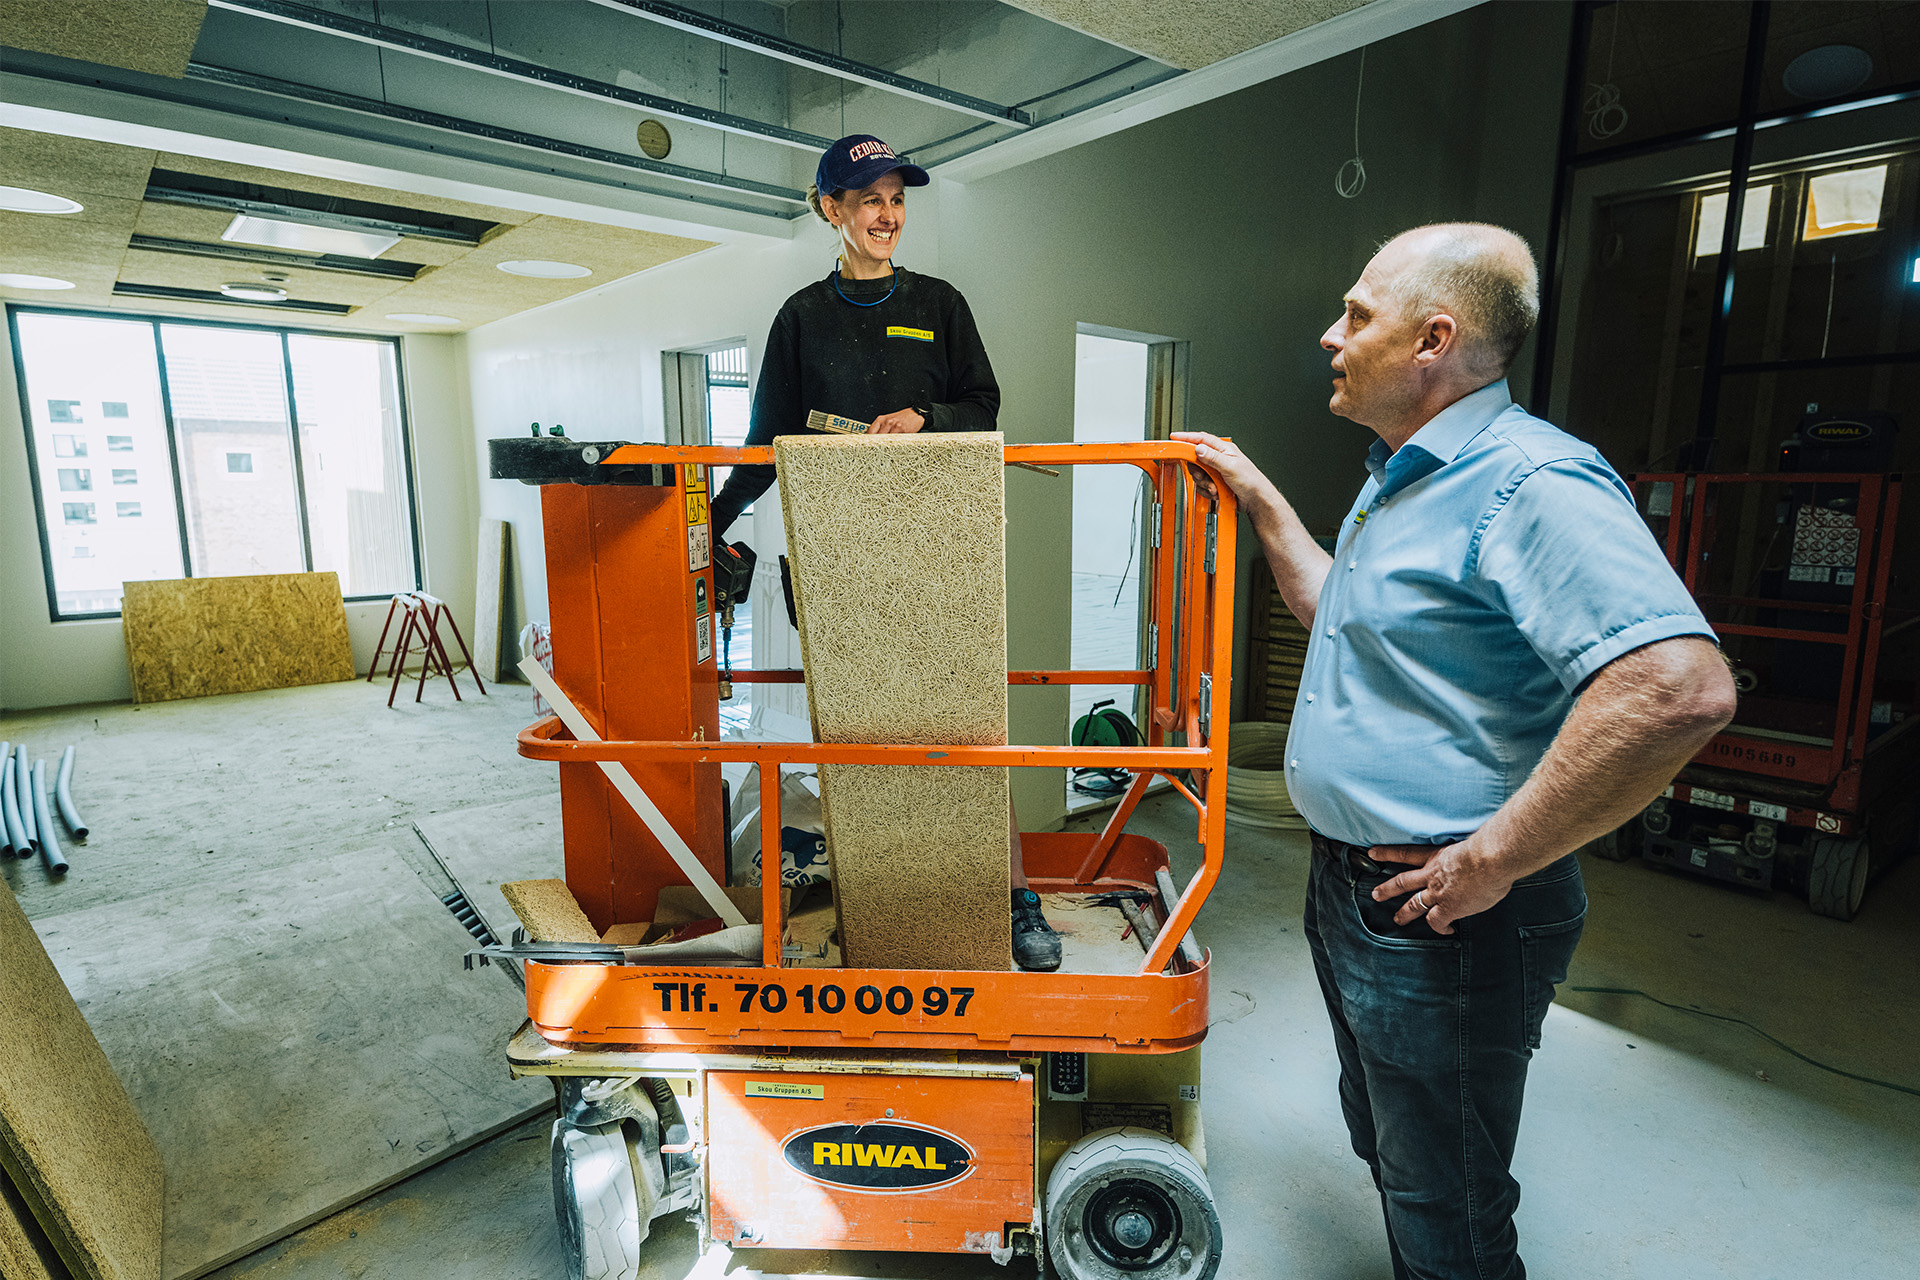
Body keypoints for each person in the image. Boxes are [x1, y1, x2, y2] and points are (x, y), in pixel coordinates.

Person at [1177, 223, 1736, 1279]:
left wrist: (1492, 859)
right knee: (1395, 1141)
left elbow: (1679, 686)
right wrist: (1255, 493)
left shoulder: (1528, 483)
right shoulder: (1406, 471)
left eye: (1357, 314)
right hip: (1357, 884)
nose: (1331, 335)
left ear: (1434, 339)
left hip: (1450, 910)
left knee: (1451, 1200)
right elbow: (1337, 602)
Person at [709, 133, 1060, 971]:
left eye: (897, 199)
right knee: (861, 744)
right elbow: (766, 440)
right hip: (837, 564)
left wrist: (924, 420)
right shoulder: (802, 318)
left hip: (940, 554)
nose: (888, 215)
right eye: (869, 200)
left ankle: (1012, 901)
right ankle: (884, 910)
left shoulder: (939, 303)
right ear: (829, 209)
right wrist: (710, 522)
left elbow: (984, 405)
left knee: (971, 735)